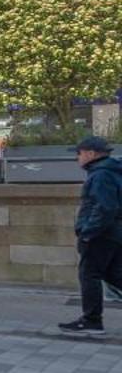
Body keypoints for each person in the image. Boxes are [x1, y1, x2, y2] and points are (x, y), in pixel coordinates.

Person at [60, 135, 122, 337]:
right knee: (114, 275)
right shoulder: (111, 171)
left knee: (90, 275)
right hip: (112, 233)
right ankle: (91, 320)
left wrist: (87, 232)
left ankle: (92, 321)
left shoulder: (101, 175)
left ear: (90, 153)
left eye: (79, 153)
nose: (77, 158)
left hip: (101, 235)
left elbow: (105, 207)